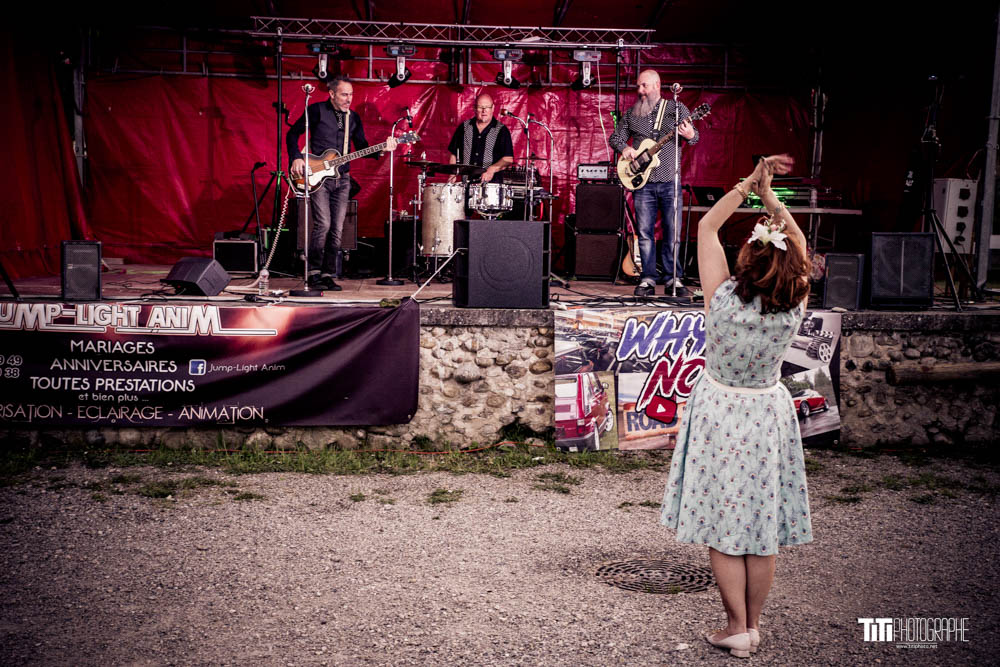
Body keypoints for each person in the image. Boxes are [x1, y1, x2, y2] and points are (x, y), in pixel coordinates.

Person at [660, 154, 814, 658]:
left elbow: (706, 226)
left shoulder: (722, 298)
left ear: (747, 257)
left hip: (720, 410)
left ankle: (737, 626)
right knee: (759, 527)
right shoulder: (795, 300)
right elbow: (803, 247)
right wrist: (773, 200)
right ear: (789, 263)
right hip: (767, 411)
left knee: (723, 524)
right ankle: (754, 624)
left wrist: (748, 185)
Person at [287, 75, 397, 291]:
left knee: (337, 229)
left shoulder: (353, 118)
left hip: (342, 178)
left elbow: (362, 146)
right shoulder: (317, 110)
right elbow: (293, 134)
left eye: (351, 94)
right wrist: (296, 158)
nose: (349, 98)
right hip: (317, 176)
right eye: (344, 94)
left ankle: (328, 273)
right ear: (332, 94)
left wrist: (382, 148)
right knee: (324, 225)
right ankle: (313, 272)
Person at [609, 70, 698, 297]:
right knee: (645, 233)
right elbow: (616, 138)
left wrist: (689, 135)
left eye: (645, 86)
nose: (641, 91)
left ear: (658, 85)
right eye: (639, 86)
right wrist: (626, 149)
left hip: (670, 180)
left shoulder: (676, 110)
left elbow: (694, 137)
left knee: (672, 234)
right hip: (643, 182)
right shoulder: (632, 113)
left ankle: (673, 280)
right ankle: (647, 278)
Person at [446, 93, 514, 186]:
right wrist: (452, 174)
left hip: (491, 187)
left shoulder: (502, 130)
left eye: (487, 107)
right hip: (467, 185)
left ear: (493, 108)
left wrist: (491, 169)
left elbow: (508, 159)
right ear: (474, 108)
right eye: (480, 107)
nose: (484, 111)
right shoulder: (464, 128)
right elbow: (454, 153)